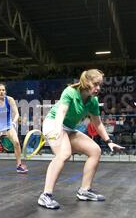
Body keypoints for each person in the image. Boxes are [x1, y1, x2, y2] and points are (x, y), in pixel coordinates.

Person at [38, 69, 124, 209]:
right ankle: (45, 195)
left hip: (69, 129)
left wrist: (109, 141)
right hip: (53, 124)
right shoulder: (70, 92)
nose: (98, 88)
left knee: (95, 151)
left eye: (100, 85)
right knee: (64, 154)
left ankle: (85, 191)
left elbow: (97, 123)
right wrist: (57, 130)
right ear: (86, 82)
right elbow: (61, 112)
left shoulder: (93, 101)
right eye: (96, 84)